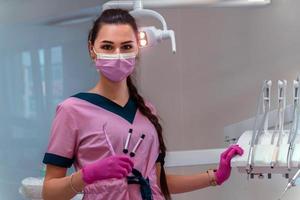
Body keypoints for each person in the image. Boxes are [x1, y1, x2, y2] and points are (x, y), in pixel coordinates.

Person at [42, 8, 243, 200]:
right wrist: (86, 176)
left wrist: (215, 177)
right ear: (92, 49)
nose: (118, 54)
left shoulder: (146, 111)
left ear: (137, 49)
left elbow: (156, 183)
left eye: (126, 46)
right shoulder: (72, 110)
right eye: (107, 47)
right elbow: (49, 193)